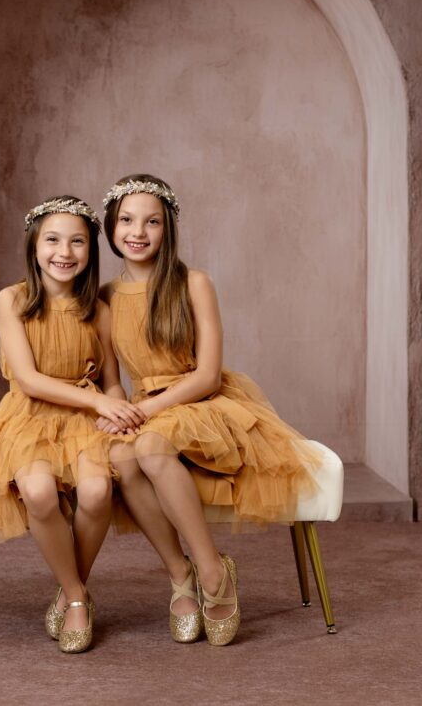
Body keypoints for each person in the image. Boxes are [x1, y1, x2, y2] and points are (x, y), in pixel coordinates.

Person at [99, 174, 321, 646]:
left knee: (153, 446)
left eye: (152, 222)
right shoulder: (106, 298)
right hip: (142, 405)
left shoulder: (193, 283)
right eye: (127, 220)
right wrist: (118, 408)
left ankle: (212, 571)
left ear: (168, 228)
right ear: (111, 226)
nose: (138, 231)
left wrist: (150, 410)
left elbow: (207, 375)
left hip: (197, 399)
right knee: (120, 457)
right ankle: (179, 575)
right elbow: (113, 379)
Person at [0, 196, 144, 653]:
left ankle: (69, 587)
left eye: (78, 242)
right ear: (34, 246)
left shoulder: (99, 310)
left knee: (97, 491)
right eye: (53, 240)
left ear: (91, 252)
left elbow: (113, 383)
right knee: (38, 492)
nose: (65, 252)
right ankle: (78, 597)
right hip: (29, 415)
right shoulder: (12, 299)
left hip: (85, 418)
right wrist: (96, 402)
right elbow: (30, 380)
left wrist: (115, 407)